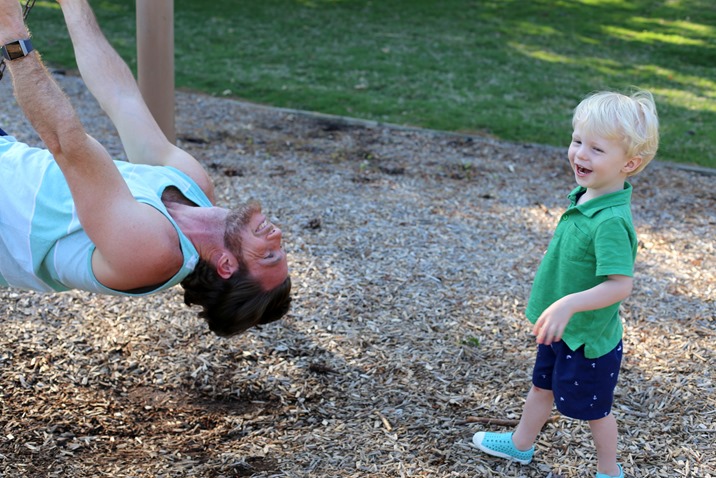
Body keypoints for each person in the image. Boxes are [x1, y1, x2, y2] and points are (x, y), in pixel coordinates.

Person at [0, 0, 291, 336]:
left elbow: (68, 145)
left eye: (269, 255)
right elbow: (121, 96)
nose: (278, 236)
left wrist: (13, 35)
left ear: (226, 265)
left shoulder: (151, 254)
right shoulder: (195, 186)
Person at [472, 90, 659, 478]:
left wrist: (569, 304)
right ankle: (521, 445)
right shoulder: (586, 196)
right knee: (541, 387)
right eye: (577, 142)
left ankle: (610, 470)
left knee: (595, 411)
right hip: (562, 329)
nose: (580, 154)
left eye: (596, 149)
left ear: (630, 163)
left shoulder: (610, 222)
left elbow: (620, 285)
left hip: (587, 338)